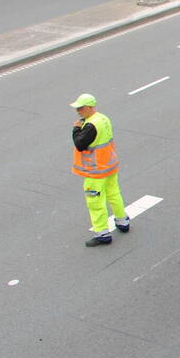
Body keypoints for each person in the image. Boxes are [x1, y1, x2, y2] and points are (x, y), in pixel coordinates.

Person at [71, 93, 129, 247]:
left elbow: (79, 144)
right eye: (77, 108)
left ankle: (102, 233)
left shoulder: (90, 125)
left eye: (81, 108)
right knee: (114, 194)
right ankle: (122, 221)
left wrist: (76, 129)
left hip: (95, 170)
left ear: (90, 107)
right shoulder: (102, 118)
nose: (78, 111)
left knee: (95, 202)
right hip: (109, 165)